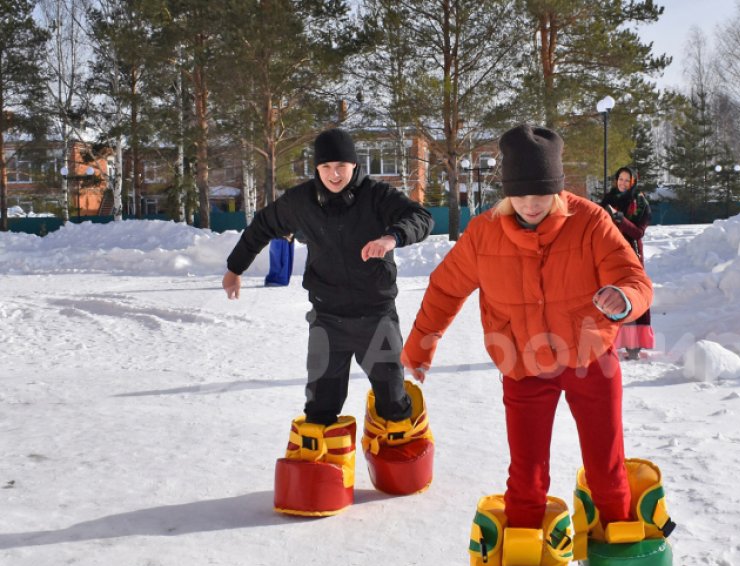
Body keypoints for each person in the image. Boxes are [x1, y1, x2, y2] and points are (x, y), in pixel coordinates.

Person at [401, 125, 652, 530]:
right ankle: (524, 555)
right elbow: (445, 288)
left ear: (557, 189)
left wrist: (623, 298)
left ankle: (618, 542)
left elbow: (634, 277)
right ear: (506, 192)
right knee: (526, 477)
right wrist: (419, 347)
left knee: (606, 468)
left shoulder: (589, 222)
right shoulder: (483, 234)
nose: (531, 205)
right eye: (520, 195)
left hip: (592, 363)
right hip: (522, 367)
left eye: (541, 195)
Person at [223, 127, 433, 430]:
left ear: (354, 165)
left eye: (341, 167)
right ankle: (322, 469)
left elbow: (421, 217)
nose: (334, 174)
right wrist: (235, 268)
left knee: (392, 401)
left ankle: (401, 460)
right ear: (317, 168)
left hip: (376, 315)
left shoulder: (377, 195)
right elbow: (262, 226)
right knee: (320, 407)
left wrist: (392, 237)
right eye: (326, 167)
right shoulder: (301, 201)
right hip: (327, 317)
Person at [600, 166, 653, 359]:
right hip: (609, 251)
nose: (622, 183)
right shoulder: (608, 199)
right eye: (619, 179)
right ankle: (609, 340)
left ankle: (634, 343)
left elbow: (639, 232)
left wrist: (621, 220)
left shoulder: (640, 202)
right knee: (610, 293)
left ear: (633, 182)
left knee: (633, 293)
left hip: (632, 253)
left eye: (626, 180)